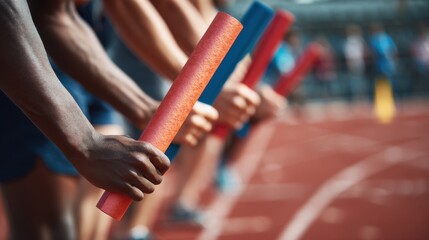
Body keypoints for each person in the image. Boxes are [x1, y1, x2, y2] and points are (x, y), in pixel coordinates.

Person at [0, 1, 170, 239]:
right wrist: (87, 144)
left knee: (86, 206)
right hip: (21, 60)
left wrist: (145, 109)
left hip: (67, 49)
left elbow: (56, 14)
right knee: (47, 230)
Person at [344, 24, 367, 101]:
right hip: (357, 62)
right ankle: (358, 97)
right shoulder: (354, 41)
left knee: (357, 81)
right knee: (357, 81)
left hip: (357, 62)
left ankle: (358, 97)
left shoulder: (355, 40)